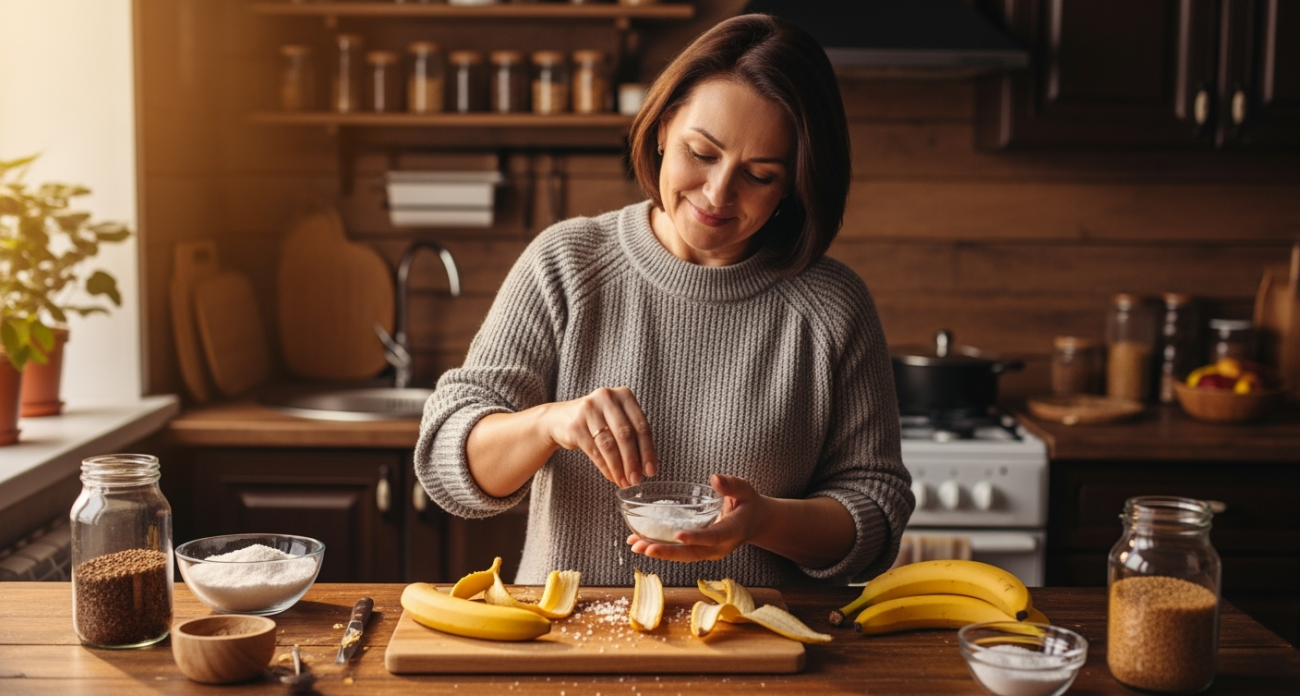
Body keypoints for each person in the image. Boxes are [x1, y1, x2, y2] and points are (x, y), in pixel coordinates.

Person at [415, 13, 913, 588]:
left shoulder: (832, 306)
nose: (718, 193)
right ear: (661, 128)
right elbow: (447, 467)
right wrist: (550, 423)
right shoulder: (566, 264)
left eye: (758, 175)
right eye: (701, 153)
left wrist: (766, 521)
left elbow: (875, 513)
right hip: (565, 647)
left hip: (756, 653)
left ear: (794, 184)